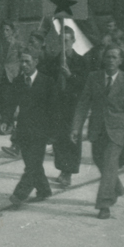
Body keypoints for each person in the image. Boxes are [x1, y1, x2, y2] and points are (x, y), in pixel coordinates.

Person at [72, 46, 124, 220]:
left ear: (120, 61)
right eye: (108, 57)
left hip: (118, 130)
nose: (110, 60)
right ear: (103, 59)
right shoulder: (93, 77)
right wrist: (76, 127)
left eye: (114, 57)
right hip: (97, 129)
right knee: (99, 161)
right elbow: (83, 103)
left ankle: (104, 204)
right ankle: (116, 187)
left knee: (109, 164)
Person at [8, 48, 56, 205]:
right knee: (31, 163)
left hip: (41, 131)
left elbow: (54, 109)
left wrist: (52, 132)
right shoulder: (18, 81)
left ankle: (20, 194)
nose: (23, 64)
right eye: (21, 61)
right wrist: (7, 121)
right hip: (24, 129)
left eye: (27, 61)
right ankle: (44, 189)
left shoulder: (47, 82)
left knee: (33, 165)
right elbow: (11, 104)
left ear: (36, 62)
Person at [48, 25, 88, 187]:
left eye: (67, 40)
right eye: (61, 41)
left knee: (72, 138)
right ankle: (62, 169)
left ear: (73, 41)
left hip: (74, 106)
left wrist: (70, 76)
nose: (64, 44)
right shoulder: (54, 61)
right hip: (57, 105)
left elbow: (84, 85)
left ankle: (68, 172)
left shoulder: (81, 61)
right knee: (59, 139)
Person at [0, 21, 22, 135]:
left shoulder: (17, 44)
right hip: (1, 75)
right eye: (3, 30)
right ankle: (6, 123)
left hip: (13, 75)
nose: (5, 32)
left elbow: (22, 59)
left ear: (12, 31)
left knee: (11, 99)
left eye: (7, 30)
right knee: (3, 99)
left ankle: (8, 123)